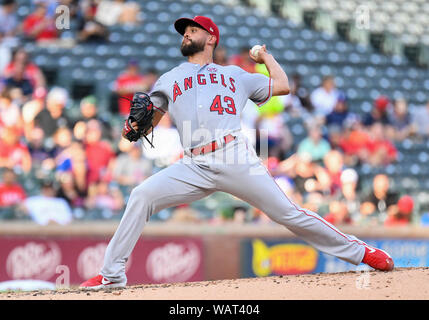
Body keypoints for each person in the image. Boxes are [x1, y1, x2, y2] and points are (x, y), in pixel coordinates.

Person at [80, 15, 394, 290]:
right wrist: (134, 127)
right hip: (194, 163)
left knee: (289, 213)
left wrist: (265, 57)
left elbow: (282, 86)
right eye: (184, 31)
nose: (186, 34)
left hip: (234, 155)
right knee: (141, 195)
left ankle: (361, 252)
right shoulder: (169, 78)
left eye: (193, 30)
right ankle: (111, 275)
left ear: (211, 37)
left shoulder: (234, 75)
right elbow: (149, 122)